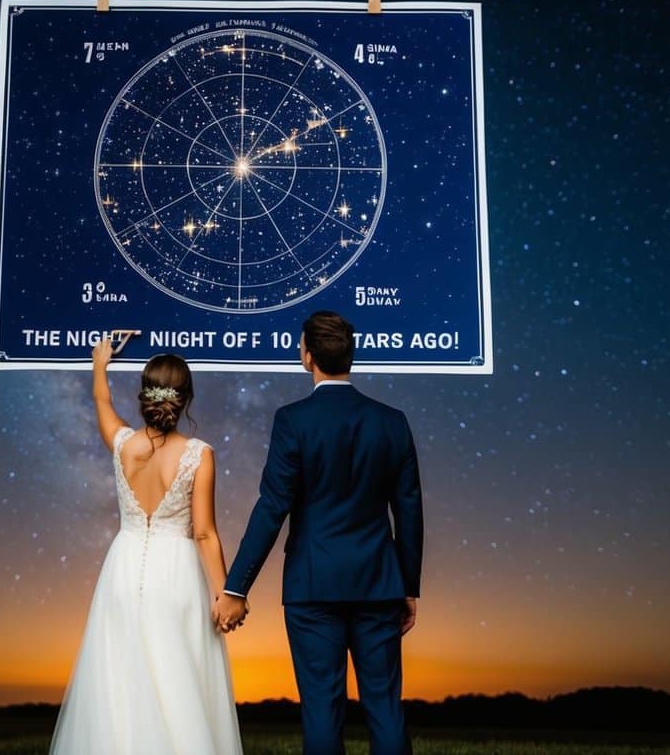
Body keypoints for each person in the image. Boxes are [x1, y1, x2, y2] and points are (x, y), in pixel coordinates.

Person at [215, 310, 424, 755]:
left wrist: (236, 586)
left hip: (313, 587)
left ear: (307, 356)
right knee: (386, 708)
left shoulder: (293, 420)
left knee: (322, 710)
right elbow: (408, 510)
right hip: (379, 584)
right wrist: (407, 586)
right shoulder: (392, 421)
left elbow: (273, 506)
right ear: (352, 354)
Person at [48, 339, 244, 755]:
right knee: (179, 675)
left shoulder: (123, 446)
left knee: (119, 677)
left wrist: (100, 363)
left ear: (144, 394)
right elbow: (205, 533)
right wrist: (225, 594)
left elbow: (101, 400)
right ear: (186, 398)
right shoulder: (199, 455)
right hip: (175, 575)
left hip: (122, 570)